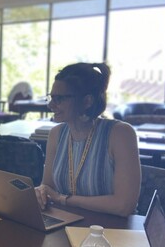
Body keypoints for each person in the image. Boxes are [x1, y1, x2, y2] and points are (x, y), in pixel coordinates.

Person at [35, 62, 141, 217]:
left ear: (87, 101)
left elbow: (124, 206)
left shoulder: (120, 134)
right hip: (66, 221)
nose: (51, 105)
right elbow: (48, 187)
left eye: (59, 98)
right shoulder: (56, 134)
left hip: (113, 229)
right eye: (51, 97)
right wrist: (40, 192)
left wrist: (64, 199)